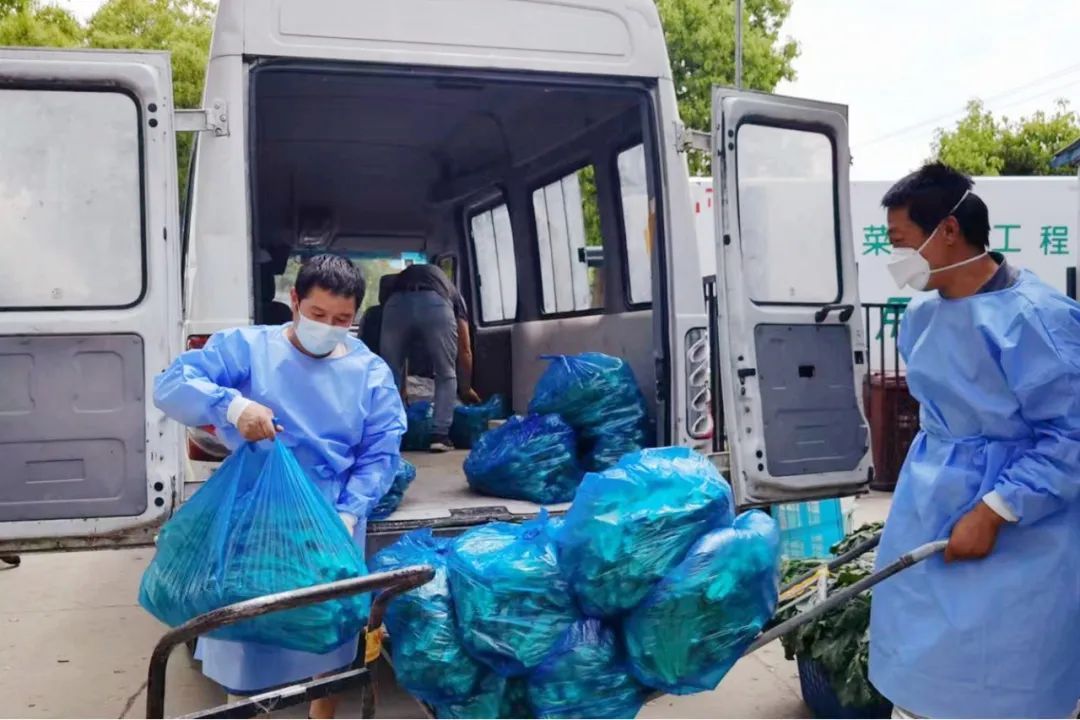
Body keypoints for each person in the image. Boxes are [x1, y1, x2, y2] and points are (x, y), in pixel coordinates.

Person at [153, 254, 407, 719]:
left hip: (329, 516)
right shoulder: (247, 349)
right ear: (294, 300)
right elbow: (172, 385)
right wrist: (233, 407)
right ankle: (242, 707)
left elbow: (380, 453)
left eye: (342, 320)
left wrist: (349, 513)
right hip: (256, 513)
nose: (328, 328)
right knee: (244, 623)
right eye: (317, 314)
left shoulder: (370, 373)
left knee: (327, 631)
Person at [868, 162, 1080, 719]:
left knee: (1002, 676)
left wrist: (996, 509)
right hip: (930, 505)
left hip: (1021, 527)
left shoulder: (1036, 318)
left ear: (948, 231)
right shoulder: (922, 316)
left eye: (901, 241)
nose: (895, 257)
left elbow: (1070, 435)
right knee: (918, 660)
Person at [380, 262, 479, 452]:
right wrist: (466, 389)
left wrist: (403, 389)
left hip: (395, 304)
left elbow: (400, 360)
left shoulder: (397, 288)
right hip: (436, 304)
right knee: (445, 373)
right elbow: (465, 348)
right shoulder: (453, 293)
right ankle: (440, 436)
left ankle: (389, 435)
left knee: (388, 372)